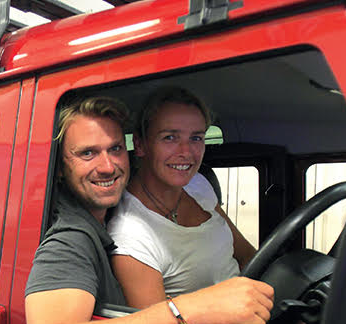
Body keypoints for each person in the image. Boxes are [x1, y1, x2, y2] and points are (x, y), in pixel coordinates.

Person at [24, 95, 274, 324]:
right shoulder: (70, 239)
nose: (107, 167)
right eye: (88, 153)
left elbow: (247, 254)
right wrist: (193, 308)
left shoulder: (190, 188)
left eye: (115, 149)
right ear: (60, 168)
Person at [108, 87, 256, 308]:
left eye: (196, 138)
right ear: (140, 145)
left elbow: (246, 255)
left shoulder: (199, 185)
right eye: (170, 137)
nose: (187, 152)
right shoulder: (129, 233)